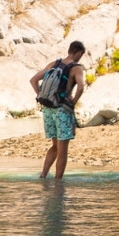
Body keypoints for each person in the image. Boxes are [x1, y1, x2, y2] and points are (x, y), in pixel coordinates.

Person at [30, 41, 87, 180]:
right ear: (79, 53)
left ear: (69, 50)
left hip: (48, 109)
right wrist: (72, 103)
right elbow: (81, 86)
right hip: (62, 110)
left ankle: (43, 175)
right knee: (63, 150)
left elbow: (33, 80)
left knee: (55, 146)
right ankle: (58, 183)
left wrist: (41, 96)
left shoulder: (54, 64)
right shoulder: (77, 67)